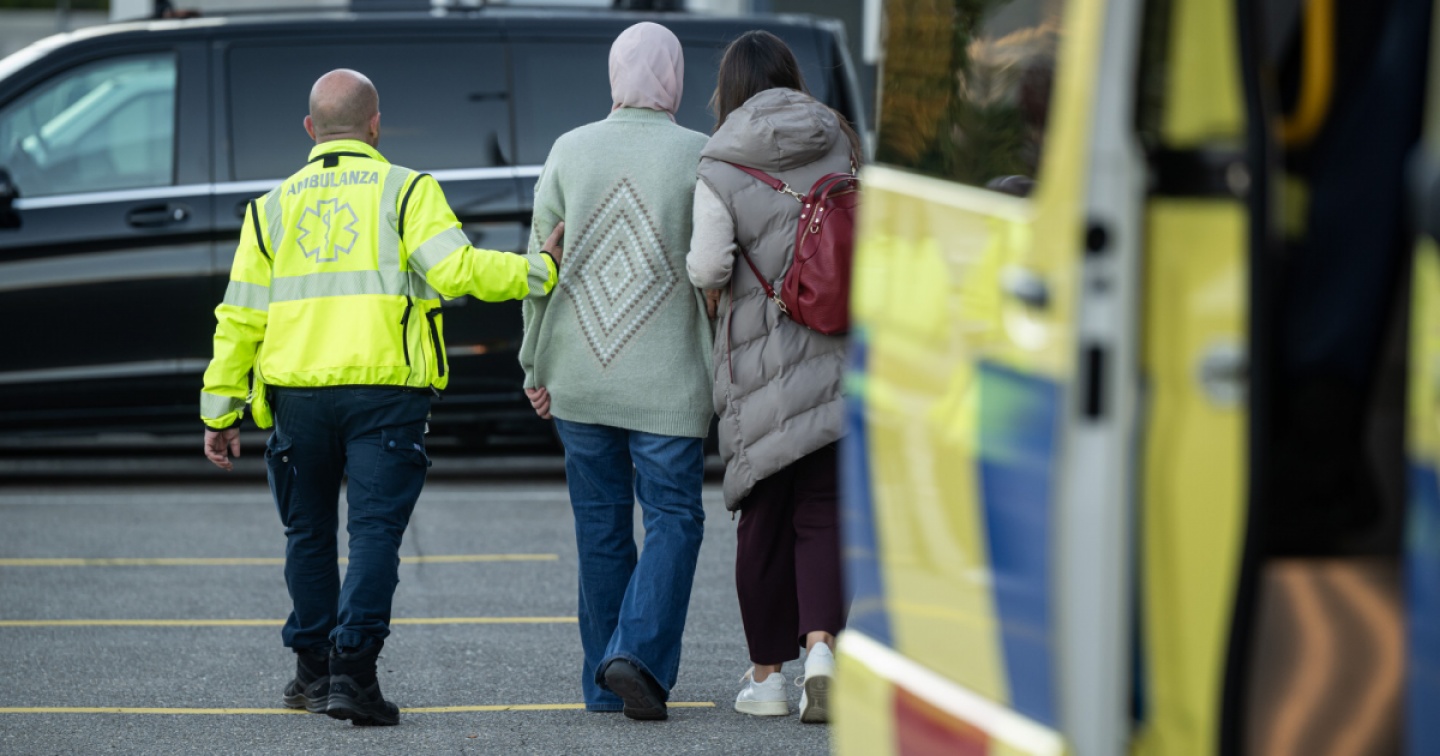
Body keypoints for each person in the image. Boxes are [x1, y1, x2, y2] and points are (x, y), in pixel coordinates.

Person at [200, 68, 563, 727]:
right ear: (375, 126)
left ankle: (313, 673)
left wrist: (220, 408)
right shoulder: (407, 190)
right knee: (373, 533)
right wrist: (541, 270)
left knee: (308, 533)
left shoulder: (269, 208)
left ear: (310, 129)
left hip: (297, 397)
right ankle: (354, 675)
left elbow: (240, 317)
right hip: (386, 395)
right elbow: (457, 269)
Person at [518, 22, 714, 721]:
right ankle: (636, 657)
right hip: (670, 382)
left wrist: (533, 362)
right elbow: (714, 268)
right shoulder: (701, 155)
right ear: (675, 77)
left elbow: (539, 266)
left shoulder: (569, 150)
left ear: (614, 74)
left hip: (578, 375)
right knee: (674, 519)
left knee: (599, 526)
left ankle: (607, 687)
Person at [685, 30, 859, 724]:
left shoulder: (720, 159)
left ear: (729, 88)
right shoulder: (839, 138)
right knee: (824, 509)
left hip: (759, 363)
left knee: (761, 519)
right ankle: (823, 653)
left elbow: (708, 265)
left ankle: (767, 680)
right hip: (834, 345)